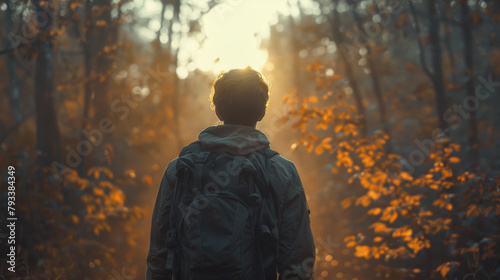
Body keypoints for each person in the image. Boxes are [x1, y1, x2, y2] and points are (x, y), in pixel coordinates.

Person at [146, 67, 315, 280]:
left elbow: (158, 257)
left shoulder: (179, 168)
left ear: (218, 111)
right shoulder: (282, 171)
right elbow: (297, 263)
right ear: (262, 112)